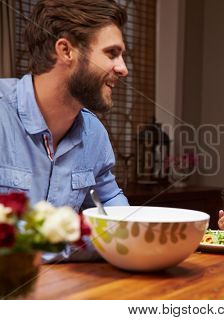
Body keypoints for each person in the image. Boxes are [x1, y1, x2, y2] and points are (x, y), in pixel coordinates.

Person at [0, 0, 129, 261]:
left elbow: (119, 228)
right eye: (111, 53)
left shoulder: (94, 134)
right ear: (66, 50)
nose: (123, 68)